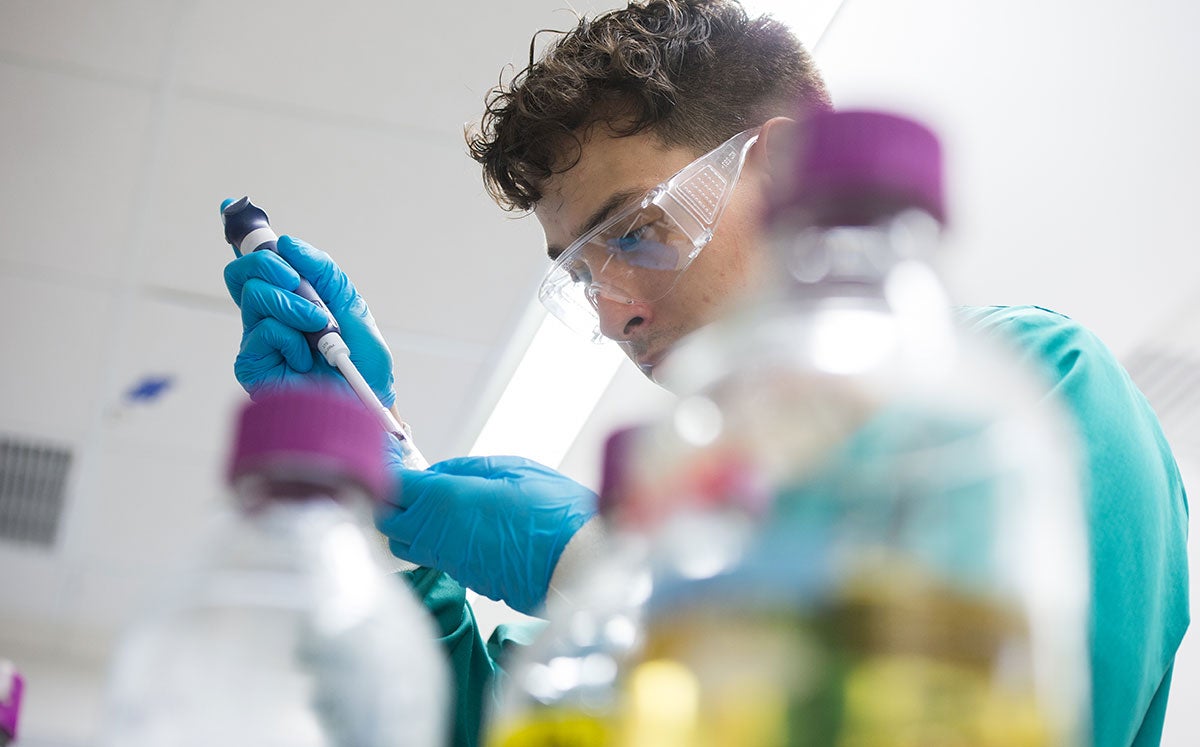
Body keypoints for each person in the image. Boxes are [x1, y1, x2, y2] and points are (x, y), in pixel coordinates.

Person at [221, 1, 1189, 746]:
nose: (611, 314)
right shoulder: (692, 507)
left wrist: (596, 572)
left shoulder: (1032, 399)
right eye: (579, 277)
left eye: (636, 231)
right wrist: (376, 483)